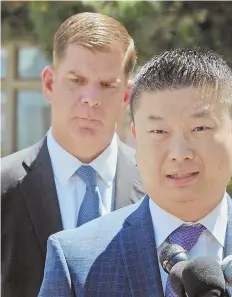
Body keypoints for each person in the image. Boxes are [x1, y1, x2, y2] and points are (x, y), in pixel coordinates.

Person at [37, 48, 232, 297]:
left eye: (199, 128)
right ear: (136, 141)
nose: (179, 152)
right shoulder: (76, 260)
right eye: (159, 131)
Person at [1, 12, 146, 297]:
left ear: (127, 97)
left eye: (106, 85)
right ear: (49, 85)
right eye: (77, 80)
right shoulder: (3, 187)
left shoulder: (158, 187)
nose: (90, 98)